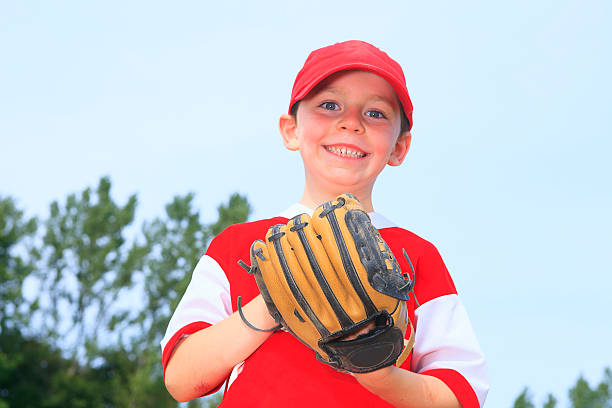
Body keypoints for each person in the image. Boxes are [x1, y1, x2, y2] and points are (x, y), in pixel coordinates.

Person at [161, 40, 489, 408]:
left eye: (376, 113)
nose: (351, 122)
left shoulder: (418, 257)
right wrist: (274, 301)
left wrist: (375, 369)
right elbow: (180, 379)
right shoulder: (240, 245)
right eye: (329, 105)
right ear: (290, 129)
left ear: (400, 146)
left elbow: (460, 396)